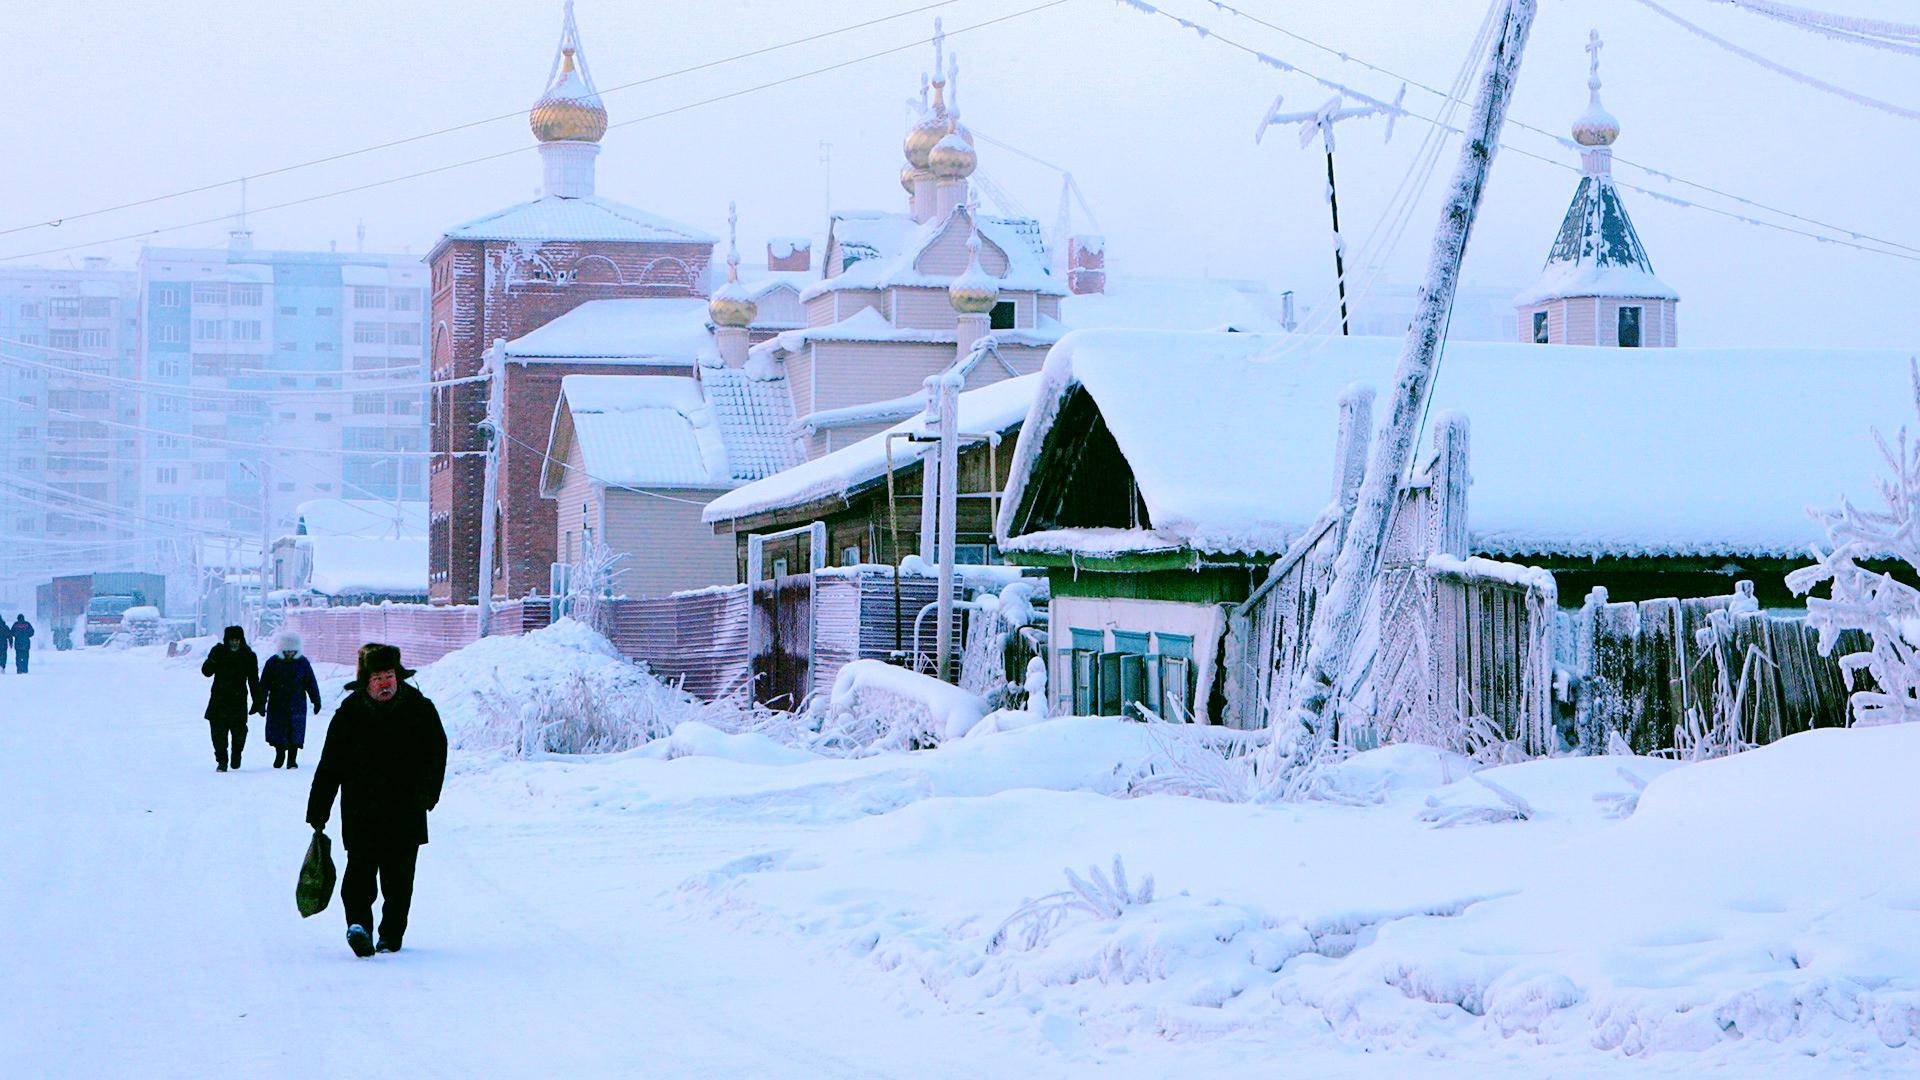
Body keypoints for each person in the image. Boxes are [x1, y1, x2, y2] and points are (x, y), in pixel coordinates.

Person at [306, 643, 447, 958]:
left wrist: (428, 793)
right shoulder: (349, 714)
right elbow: (330, 765)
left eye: (390, 676)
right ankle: (359, 927)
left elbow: (436, 753)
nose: (386, 683)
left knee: (399, 881)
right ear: (366, 681)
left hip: (405, 809)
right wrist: (319, 808)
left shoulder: (419, 709)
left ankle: (391, 935)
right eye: (378, 677)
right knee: (358, 876)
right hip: (361, 810)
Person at [259, 631, 323, 769]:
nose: (289, 654)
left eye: (293, 651)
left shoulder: (303, 663)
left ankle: (292, 759)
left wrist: (316, 700)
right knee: (278, 730)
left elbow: (310, 682)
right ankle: (280, 753)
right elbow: (264, 685)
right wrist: (261, 702)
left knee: (295, 731)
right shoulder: (273, 662)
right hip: (277, 703)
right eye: (287, 651)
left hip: (297, 703)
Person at [201, 626, 261, 772]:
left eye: (237, 640)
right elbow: (206, 672)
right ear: (226, 641)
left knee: (239, 732)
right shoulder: (219, 653)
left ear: (241, 640)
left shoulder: (248, 656)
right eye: (231, 640)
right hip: (219, 700)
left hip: (238, 701)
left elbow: (253, 680)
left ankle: (236, 755)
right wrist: (212, 659)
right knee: (218, 733)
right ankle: (222, 760)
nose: (234, 643)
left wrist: (258, 701)